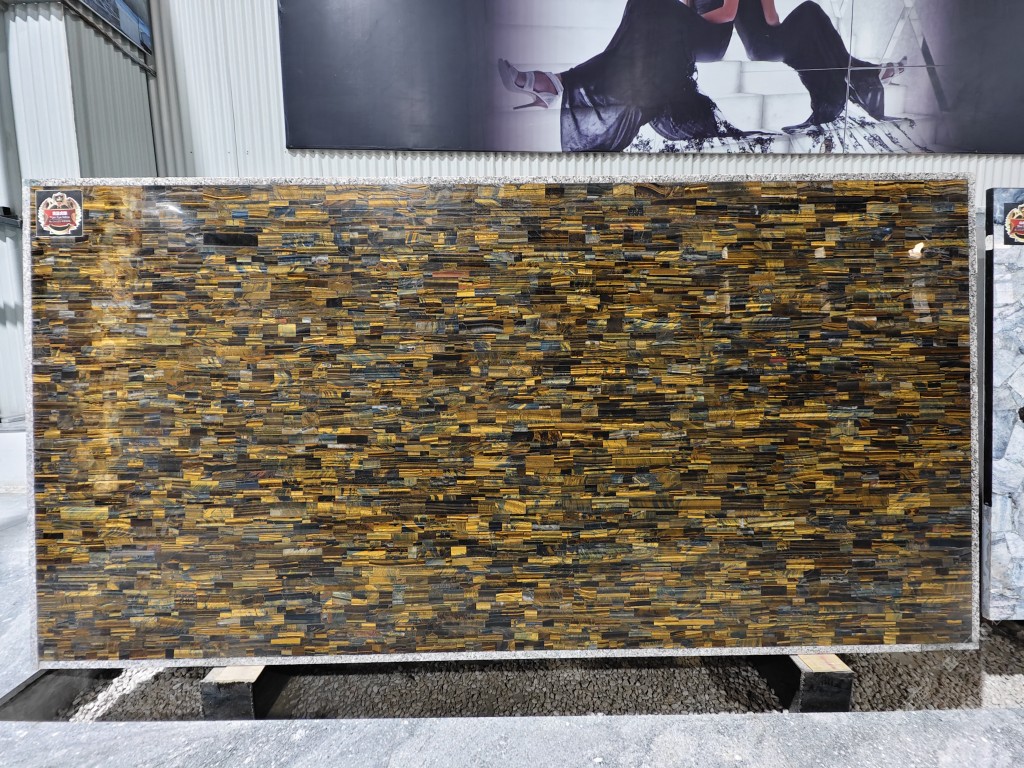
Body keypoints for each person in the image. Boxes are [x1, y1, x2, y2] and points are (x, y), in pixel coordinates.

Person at [498, 0, 905, 150]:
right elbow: (688, 7)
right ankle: (559, 83)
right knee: (646, 9)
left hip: (732, 36)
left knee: (811, 13)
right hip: (697, 35)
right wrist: (675, 20)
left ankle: (862, 74)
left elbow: (731, 15)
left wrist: (679, 21)